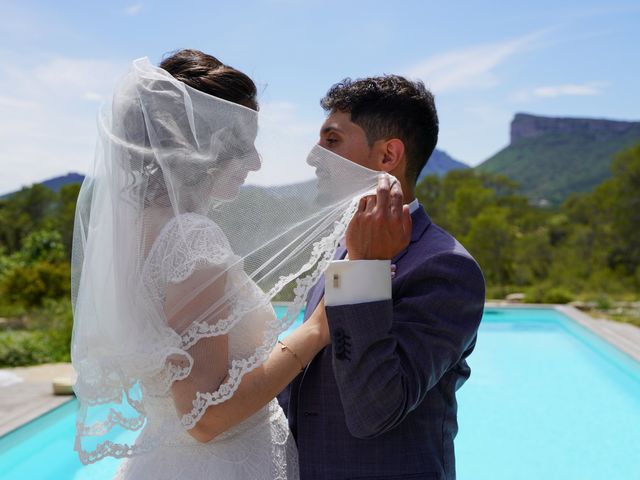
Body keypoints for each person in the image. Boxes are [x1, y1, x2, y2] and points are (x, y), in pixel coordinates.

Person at [70, 50, 385, 479]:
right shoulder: (189, 238)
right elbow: (203, 419)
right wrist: (314, 331)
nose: (255, 162)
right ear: (199, 148)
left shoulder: (135, 229)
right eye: (240, 145)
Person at [278, 76, 486, 479]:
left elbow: (375, 411)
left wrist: (365, 272)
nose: (313, 156)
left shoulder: (447, 268)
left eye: (332, 140)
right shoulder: (343, 243)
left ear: (388, 155)